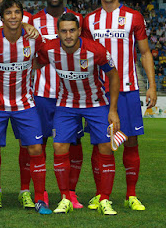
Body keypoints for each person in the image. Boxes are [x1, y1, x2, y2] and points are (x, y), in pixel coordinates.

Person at [82, 0, 157, 211]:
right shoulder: (89, 20)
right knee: (99, 143)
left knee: (131, 141)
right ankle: (100, 194)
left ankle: (131, 195)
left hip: (127, 89)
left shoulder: (134, 17)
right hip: (98, 91)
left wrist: (152, 85)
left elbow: (145, 52)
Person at [37, 13, 120, 215]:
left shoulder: (95, 50)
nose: (68, 35)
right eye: (64, 31)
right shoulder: (49, 49)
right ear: (57, 33)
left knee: (107, 146)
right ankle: (65, 197)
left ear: (79, 31)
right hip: (66, 103)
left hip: (95, 103)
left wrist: (113, 110)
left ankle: (105, 199)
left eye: (72, 30)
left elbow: (113, 75)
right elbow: (32, 65)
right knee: (58, 145)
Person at [0, 0, 51, 216]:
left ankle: (39, 200)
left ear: (23, 15)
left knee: (36, 149)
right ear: (1, 17)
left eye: (17, 12)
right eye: (8, 13)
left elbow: (45, 57)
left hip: (25, 104)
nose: (13, 16)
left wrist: (32, 64)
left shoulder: (33, 39)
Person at [32, 0, 84, 208]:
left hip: (71, 95)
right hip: (42, 93)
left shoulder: (78, 19)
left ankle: (70, 192)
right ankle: (41, 192)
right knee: (39, 143)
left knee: (73, 144)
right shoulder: (34, 21)